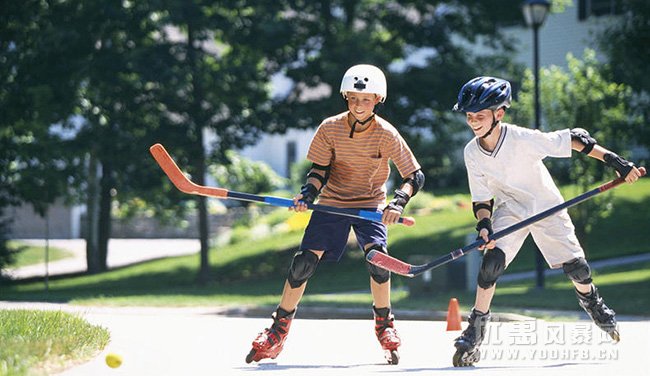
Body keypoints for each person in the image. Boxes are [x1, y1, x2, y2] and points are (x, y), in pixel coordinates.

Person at [450, 76, 643, 367]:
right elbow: (481, 199)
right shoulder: (472, 152)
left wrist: (618, 163)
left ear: (499, 113)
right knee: (491, 264)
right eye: (469, 116)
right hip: (512, 209)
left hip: (546, 206)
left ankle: (592, 302)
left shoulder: (521, 138)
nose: (473, 122)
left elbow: (576, 139)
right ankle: (474, 333)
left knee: (577, 269)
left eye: (480, 115)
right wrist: (485, 226)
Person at [245, 64, 424, 365]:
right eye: (352, 98)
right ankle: (277, 331)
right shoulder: (330, 128)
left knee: (378, 259)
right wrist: (307, 196)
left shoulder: (386, 133)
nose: (358, 105)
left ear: (378, 100)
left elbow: (414, 176)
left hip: (370, 205)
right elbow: (319, 170)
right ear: (345, 97)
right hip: (333, 202)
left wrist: (398, 202)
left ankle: (385, 326)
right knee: (303, 263)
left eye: (365, 99)